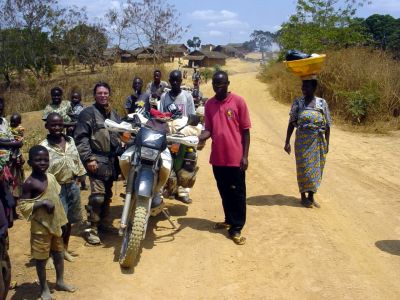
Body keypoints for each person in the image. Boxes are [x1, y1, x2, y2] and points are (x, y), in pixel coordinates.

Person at [198, 71, 251, 245]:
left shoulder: (238, 102)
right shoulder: (209, 105)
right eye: (214, 84)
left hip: (235, 159)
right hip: (218, 159)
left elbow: (245, 130)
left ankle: (236, 228)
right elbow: (209, 130)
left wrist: (245, 156)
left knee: (237, 193)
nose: (217, 87)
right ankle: (228, 219)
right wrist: (197, 137)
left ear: (228, 84)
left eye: (220, 84)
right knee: (224, 191)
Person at [20, 145, 76, 300]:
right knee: (41, 259)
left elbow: (56, 201)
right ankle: (44, 288)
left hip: (55, 225)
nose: (43, 162)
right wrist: (41, 203)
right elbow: (23, 205)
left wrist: (63, 222)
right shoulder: (30, 183)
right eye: (38, 160)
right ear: (30, 162)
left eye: (45, 159)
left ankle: (60, 281)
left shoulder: (50, 177)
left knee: (58, 254)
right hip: (40, 228)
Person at [74, 82, 122, 245]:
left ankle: (103, 223)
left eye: (105, 93)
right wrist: (88, 158)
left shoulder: (114, 114)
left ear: (109, 94)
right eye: (100, 93)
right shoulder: (87, 113)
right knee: (98, 197)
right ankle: (92, 228)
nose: (103, 95)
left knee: (107, 195)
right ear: (94, 95)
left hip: (111, 161)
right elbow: (81, 138)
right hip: (96, 160)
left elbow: (121, 134)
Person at [40, 113, 86, 261]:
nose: (57, 128)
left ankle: (64, 249)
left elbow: (77, 158)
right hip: (55, 188)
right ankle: (51, 255)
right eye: (53, 125)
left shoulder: (70, 140)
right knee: (57, 224)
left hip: (72, 186)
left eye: (60, 124)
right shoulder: (43, 147)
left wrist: (80, 175)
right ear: (47, 126)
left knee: (69, 222)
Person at [284, 78, 331, 208]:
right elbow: (291, 122)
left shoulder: (322, 103)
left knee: (316, 168)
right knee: (303, 168)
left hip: (318, 141)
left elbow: (327, 124)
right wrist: (287, 141)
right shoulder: (298, 103)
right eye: (302, 86)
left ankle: (311, 196)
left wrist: (327, 143)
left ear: (314, 87)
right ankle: (303, 196)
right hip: (302, 142)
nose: (303, 88)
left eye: (307, 86)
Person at [159, 70, 196, 204]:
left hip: (183, 134)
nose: (175, 83)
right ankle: (166, 189)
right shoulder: (164, 97)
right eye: (172, 80)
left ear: (181, 81)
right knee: (166, 162)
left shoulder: (187, 96)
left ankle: (183, 191)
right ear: (169, 81)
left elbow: (192, 115)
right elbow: (161, 115)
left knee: (185, 163)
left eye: (177, 80)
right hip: (168, 134)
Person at [67, 91, 87, 190]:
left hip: (78, 136)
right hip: (71, 136)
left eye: (76, 98)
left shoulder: (81, 109)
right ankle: (78, 182)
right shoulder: (69, 107)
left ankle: (82, 183)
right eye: (73, 98)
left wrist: (71, 124)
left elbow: (78, 120)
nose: (74, 100)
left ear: (80, 99)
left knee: (79, 159)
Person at [9, 113, 25, 216]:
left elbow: (20, 143)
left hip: (15, 157)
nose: (12, 123)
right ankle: (12, 212)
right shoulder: (8, 129)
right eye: (12, 121)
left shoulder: (20, 129)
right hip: (9, 158)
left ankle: (14, 211)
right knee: (11, 187)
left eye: (15, 122)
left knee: (16, 187)